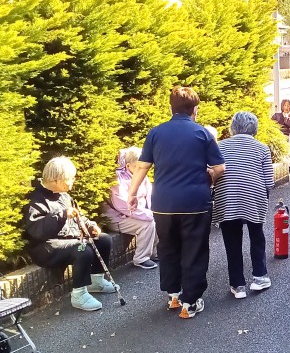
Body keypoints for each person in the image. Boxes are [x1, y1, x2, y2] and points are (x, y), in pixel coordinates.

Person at [128, 87, 225, 319]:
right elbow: (220, 167)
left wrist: (132, 193)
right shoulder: (202, 133)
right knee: (194, 250)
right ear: (195, 109)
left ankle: (173, 295)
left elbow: (142, 166)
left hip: (163, 204)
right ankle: (190, 302)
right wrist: (210, 177)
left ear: (170, 108)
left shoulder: (155, 133)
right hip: (195, 203)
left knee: (168, 248)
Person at [25, 157, 119, 312]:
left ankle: (96, 282)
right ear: (57, 179)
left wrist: (90, 226)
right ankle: (79, 295)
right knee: (83, 250)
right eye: (70, 178)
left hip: (69, 239)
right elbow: (37, 229)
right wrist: (61, 215)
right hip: (46, 246)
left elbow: (78, 215)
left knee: (103, 240)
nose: (73, 181)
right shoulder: (35, 199)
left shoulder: (64, 195)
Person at [213, 112, 274, 299]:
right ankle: (260, 277)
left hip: (227, 198)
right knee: (257, 236)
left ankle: (238, 285)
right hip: (253, 197)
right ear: (255, 128)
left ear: (233, 128)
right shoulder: (262, 148)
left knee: (232, 241)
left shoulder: (219, 146)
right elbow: (269, 182)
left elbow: (213, 173)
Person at [104, 147, 158, 270]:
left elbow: (149, 196)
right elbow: (123, 205)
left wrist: (153, 211)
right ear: (128, 165)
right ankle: (141, 258)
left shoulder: (140, 175)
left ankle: (155, 253)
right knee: (147, 224)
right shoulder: (118, 180)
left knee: (156, 218)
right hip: (119, 217)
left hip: (137, 213)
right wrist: (148, 214)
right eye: (137, 167)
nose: (141, 170)